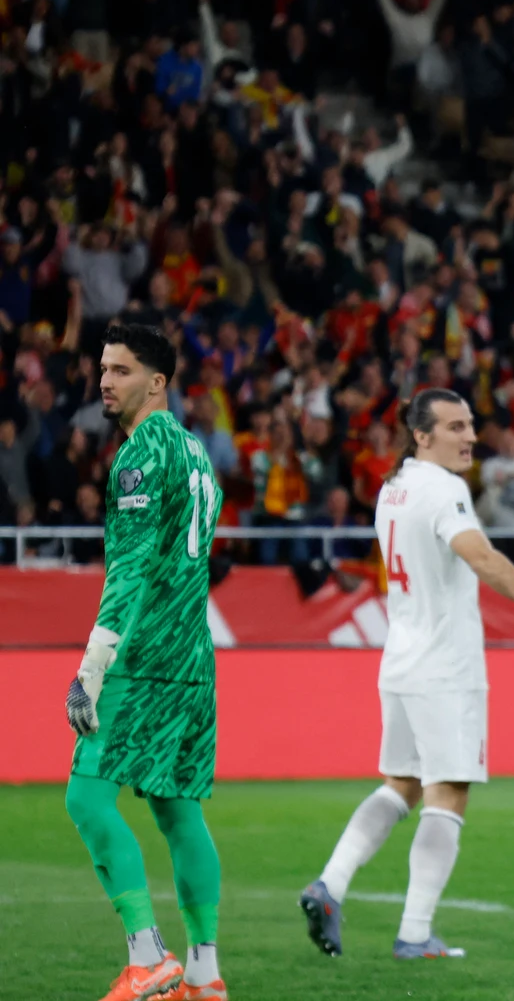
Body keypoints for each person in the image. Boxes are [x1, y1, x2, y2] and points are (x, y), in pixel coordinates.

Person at [299, 389, 514, 960]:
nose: (469, 437)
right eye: (455, 427)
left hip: (402, 659)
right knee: (448, 791)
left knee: (402, 784)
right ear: (422, 435)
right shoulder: (444, 489)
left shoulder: (393, 488)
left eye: (471, 426)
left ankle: (330, 884)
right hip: (446, 665)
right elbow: (478, 555)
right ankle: (415, 933)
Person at [63, 324, 228, 1001]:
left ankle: (146, 953)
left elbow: (128, 572)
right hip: (194, 659)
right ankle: (204, 972)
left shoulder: (139, 456)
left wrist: (91, 666)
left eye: (122, 370)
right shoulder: (198, 452)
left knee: (86, 795)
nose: (106, 381)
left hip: (143, 660)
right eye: (103, 368)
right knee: (178, 810)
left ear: (156, 382)